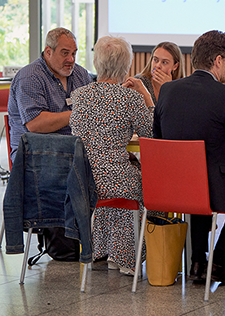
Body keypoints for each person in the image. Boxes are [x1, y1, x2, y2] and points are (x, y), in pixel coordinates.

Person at [153, 30, 225, 286]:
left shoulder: (168, 91)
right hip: (216, 190)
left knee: (199, 187)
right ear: (218, 61)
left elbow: (159, 138)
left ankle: (197, 262)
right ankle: (218, 261)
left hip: (174, 189)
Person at [70, 36, 154, 276]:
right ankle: (127, 258)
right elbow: (152, 135)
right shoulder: (131, 98)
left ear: (97, 62)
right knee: (146, 186)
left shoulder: (79, 95)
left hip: (84, 180)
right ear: (126, 66)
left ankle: (103, 251)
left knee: (121, 178)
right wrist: (146, 96)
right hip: (117, 179)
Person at [7, 27, 92, 161]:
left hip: (74, 148)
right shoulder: (30, 77)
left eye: (74, 54)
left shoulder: (81, 74)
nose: (71, 59)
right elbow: (35, 124)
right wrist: (77, 114)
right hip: (35, 153)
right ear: (48, 52)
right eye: (65, 53)